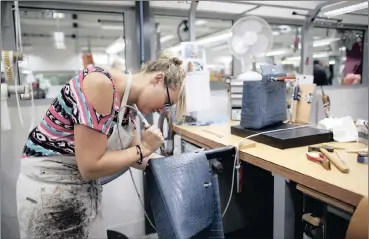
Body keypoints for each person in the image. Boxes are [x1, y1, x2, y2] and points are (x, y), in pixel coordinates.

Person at [16, 53, 186, 239]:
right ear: (157, 79)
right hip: (50, 188)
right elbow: (90, 166)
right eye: (167, 102)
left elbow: (138, 157)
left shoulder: (128, 104)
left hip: (79, 187)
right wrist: (144, 147)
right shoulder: (100, 84)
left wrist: (179, 167)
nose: (162, 111)